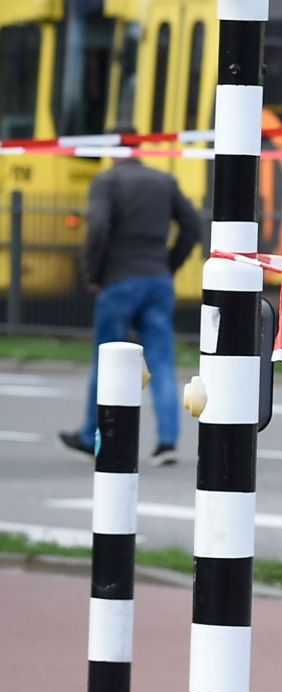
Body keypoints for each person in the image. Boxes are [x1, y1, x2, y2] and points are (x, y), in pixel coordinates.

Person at [61, 144, 202, 465]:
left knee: (107, 358)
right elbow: (192, 225)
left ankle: (89, 435)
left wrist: (94, 273)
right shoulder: (163, 181)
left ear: (111, 150)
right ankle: (167, 441)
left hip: (120, 282)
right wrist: (168, 265)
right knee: (162, 360)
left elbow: (97, 228)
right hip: (157, 281)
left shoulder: (107, 182)